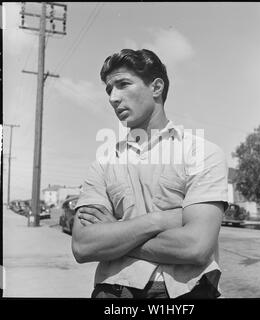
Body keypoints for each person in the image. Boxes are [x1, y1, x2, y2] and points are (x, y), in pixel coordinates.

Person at [71, 49, 228, 299]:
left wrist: (116, 232)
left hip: (186, 293)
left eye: (122, 84)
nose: (113, 97)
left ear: (156, 87)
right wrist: (161, 221)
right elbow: (82, 246)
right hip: (114, 292)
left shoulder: (202, 153)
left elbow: (196, 247)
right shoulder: (103, 162)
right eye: (109, 90)